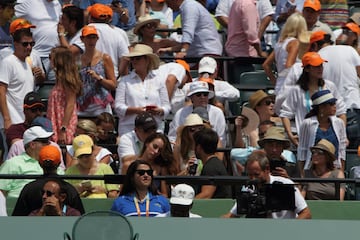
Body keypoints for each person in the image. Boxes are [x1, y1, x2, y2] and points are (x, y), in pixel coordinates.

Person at [279, 52, 347, 146]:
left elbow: (341, 112)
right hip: (306, 139)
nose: (320, 69)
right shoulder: (297, 90)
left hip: (330, 138)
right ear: (307, 69)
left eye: (321, 65)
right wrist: (290, 135)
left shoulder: (330, 86)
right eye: (316, 66)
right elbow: (285, 113)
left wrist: (342, 135)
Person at [223, 150, 312, 219]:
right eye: (250, 175)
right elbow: (231, 215)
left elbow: (306, 213)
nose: (253, 178)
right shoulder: (248, 189)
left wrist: (289, 229)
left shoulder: (285, 185)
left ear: (267, 169)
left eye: (256, 174)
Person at [311, 31, 360, 149]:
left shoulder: (319, 56)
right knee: (353, 154)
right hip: (352, 107)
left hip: (329, 111)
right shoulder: (350, 50)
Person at [0, 20, 38, 160]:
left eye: (31, 44)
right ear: (15, 44)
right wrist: (7, 119)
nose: (29, 47)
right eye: (25, 44)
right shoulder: (8, 62)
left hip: (26, 122)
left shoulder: (28, 63)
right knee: (11, 158)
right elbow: (1, 90)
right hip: (13, 121)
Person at [114, 44, 170, 136]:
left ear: (147, 60)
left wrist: (159, 110)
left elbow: (166, 106)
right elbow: (118, 107)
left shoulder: (158, 80)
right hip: (130, 128)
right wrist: (136, 110)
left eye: (138, 58)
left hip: (154, 127)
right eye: (133, 59)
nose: (134, 61)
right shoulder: (124, 81)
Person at [12, 145, 84, 216]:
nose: (44, 196)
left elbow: (17, 219)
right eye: (43, 193)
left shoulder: (29, 189)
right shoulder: (69, 189)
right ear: (59, 163)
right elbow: (81, 220)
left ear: (39, 163)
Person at [298, 90, 346, 175]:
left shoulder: (339, 123)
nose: (335, 106)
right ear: (321, 107)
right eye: (331, 104)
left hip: (334, 170)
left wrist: (341, 172)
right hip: (313, 170)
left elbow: (342, 150)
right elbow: (302, 150)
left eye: (334, 103)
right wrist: (302, 175)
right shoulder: (307, 123)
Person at [168, 81, 226, 147]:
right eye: (198, 95)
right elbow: (172, 137)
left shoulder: (217, 113)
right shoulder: (180, 113)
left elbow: (221, 138)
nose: (202, 97)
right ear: (191, 97)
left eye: (205, 94)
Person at [0, 126, 53, 198]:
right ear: (32, 144)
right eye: (45, 141)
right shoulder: (12, 164)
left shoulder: (53, 163)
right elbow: (1, 192)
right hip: (19, 208)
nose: (49, 144)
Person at [263, 12, 307, 94]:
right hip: (291, 86)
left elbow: (266, 65)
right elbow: (289, 65)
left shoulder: (280, 43)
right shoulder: (295, 43)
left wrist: (275, 82)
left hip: (280, 83)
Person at [77, 25, 116, 116]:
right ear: (82, 39)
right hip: (82, 104)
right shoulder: (78, 60)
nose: (91, 41)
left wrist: (99, 78)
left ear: (97, 39)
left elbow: (113, 85)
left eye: (94, 37)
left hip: (100, 105)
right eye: (88, 37)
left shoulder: (105, 58)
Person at [47, 46, 82, 144]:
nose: (49, 60)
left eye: (51, 57)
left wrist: (63, 129)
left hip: (63, 121)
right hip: (55, 119)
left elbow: (70, 104)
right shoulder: (59, 78)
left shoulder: (67, 79)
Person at [87, 3, 129, 78]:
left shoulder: (86, 30)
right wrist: (119, 76)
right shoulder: (120, 33)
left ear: (90, 18)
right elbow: (125, 58)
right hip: (113, 80)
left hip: (90, 77)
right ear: (110, 19)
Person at [193, 128, 232, 199]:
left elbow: (206, 195)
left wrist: (186, 205)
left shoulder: (211, 167)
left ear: (198, 147)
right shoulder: (213, 164)